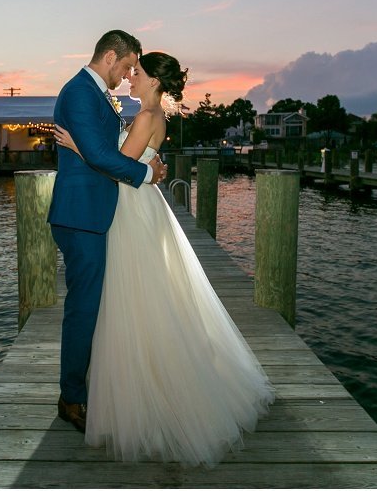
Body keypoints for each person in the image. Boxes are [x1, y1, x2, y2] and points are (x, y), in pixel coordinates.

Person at [53, 52, 274, 466]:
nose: (130, 79)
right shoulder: (152, 115)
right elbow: (131, 161)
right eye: (130, 71)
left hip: (132, 210)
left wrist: (79, 150)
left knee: (135, 296)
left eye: (138, 74)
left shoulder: (145, 117)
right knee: (141, 296)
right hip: (137, 205)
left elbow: (117, 164)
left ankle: (140, 386)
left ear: (155, 82)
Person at [47, 30, 168, 434]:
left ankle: (85, 386)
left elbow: (105, 150)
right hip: (81, 216)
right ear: (111, 57)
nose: (129, 74)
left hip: (96, 213)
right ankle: (71, 398)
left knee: (93, 306)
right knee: (83, 309)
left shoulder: (96, 93)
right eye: (128, 66)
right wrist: (146, 172)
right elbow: (100, 156)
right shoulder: (81, 92)